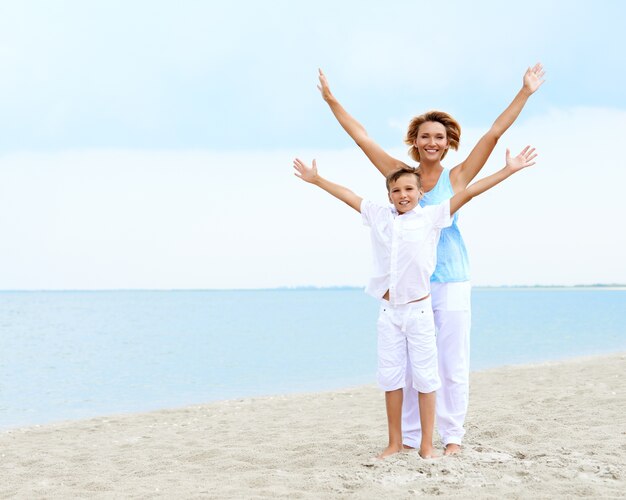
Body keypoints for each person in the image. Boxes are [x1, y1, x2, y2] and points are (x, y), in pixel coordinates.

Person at [317, 64, 545, 454]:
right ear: (415, 141)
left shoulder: (457, 178)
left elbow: (493, 133)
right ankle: (407, 440)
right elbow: (361, 138)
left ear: (448, 141)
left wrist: (524, 92)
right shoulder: (399, 175)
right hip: (408, 288)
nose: (432, 142)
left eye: (439, 137)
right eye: (425, 137)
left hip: (452, 278)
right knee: (407, 366)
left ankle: (452, 436)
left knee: (451, 363)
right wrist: (332, 100)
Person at [292, 146, 537, 459]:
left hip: (419, 311)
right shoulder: (379, 216)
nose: (402, 194)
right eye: (396, 190)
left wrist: (508, 170)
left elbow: (471, 191)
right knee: (392, 378)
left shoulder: (432, 217)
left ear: (421, 193)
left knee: (425, 378)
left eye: (409, 189)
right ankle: (395, 443)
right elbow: (349, 195)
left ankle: (427, 445)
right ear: (390, 195)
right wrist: (317, 179)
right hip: (388, 312)